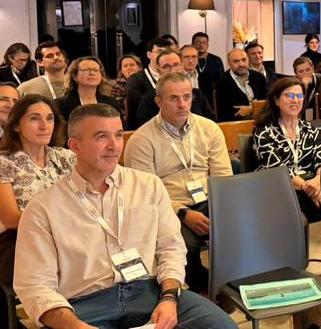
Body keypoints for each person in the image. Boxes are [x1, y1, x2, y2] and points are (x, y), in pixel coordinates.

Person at [13, 103, 237, 329]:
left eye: (118, 135)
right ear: (74, 145)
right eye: (101, 137)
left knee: (222, 326)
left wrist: (169, 298)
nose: (114, 146)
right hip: (82, 305)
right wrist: (76, 326)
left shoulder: (148, 185)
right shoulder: (43, 208)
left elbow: (171, 248)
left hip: (149, 292)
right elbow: (35, 285)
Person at [124, 73, 233, 295]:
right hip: (168, 207)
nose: (183, 104)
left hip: (210, 199)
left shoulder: (209, 128)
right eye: (174, 98)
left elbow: (223, 176)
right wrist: (182, 213)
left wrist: (222, 209)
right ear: (158, 101)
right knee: (185, 243)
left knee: (239, 227)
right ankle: (200, 289)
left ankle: (230, 283)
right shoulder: (142, 140)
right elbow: (145, 194)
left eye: (187, 96)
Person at [0, 95, 74, 285]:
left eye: (49, 118)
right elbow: (10, 219)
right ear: (16, 126)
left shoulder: (66, 157)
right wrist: (58, 222)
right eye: (34, 118)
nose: (44, 125)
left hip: (71, 233)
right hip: (22, 239)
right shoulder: (4, 163)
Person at [252, 77, 321, 223]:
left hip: (311, 184)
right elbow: (278, 169)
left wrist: (317, 182)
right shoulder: (264, 132)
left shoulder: (310, 130)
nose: (295, 100)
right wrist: (309, 189)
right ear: (276, 100)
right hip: (278, 188)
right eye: (289, 96)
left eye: (299, 96)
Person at [137, 50, 215, 124]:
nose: (172, 70)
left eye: (176, 65)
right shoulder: (148, 100)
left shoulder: (198, 94)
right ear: (159, 70)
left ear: (182, 66)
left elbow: (212, 123)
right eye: (166, 66)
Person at [55, 57, 124, 123]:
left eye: (96, 70)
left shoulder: (111, 103)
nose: (92, 73)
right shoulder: (61, 105)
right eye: (86, 70)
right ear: (75, 76)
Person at [125, 37, 174, 129]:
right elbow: (140, 107)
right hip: (142, 128)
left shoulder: (173, 78)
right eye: (159, 51)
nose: (163, 55)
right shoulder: (135, 79)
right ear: (149, 54)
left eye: (166, 52)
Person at [215, 49, 267, 122]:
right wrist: (256, 107)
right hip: (237, 124)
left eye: (244, 60)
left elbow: (268, 102)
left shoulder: (259, 77)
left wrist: (251, 108)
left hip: (262, 121)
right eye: (236, 61)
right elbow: (230, 112)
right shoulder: (222, 82)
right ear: (229, 64)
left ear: (248, 60)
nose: (241, 64)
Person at [191, 31, 225, 98]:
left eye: (204, 42)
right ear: (192, 44)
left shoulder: (216, 60)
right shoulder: (189, 60)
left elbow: (221, 82)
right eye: (198, 42)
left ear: (208, 45)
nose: (201, 45)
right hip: (193, 96)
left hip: (212, 98)